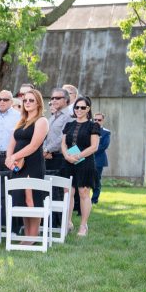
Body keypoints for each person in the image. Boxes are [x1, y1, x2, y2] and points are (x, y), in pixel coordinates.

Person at [5, 88, 49, 240]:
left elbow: (33, 146)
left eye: (31, 100)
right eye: (25, 100)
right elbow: (12, 142)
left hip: (33, 163)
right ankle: (27, 235)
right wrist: (8, 158)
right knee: (22, 199)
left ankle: (33, 236)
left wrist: (14, 157)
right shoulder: (21, 121)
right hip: (18, 165)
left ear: (38, 103)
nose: (28, 103)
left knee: (32, 199)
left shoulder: (41, 121)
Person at [61, 96, 100, 236]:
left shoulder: (93, 126)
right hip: (68, 162)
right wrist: (66, 156)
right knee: (68, 193)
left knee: (83, 193)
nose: (79, 110)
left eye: (82, 107)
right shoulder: (69, 125)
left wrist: (77, 156)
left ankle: (83, 226)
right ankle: (68, 222)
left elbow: (94, 147)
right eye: (77, 107)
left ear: (88, 109)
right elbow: (63, 144)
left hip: (85, 163)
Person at [43, 87, 72, 174]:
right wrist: (44, 151)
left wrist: (47, 150)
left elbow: (63, 137)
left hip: (62, 157)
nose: (54, 100)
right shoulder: (52, 117)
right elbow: (45, 136)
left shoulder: (69, 116)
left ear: (66, 99)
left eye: (58, 98)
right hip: (49, 157)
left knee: (59, 186)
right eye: (52, 98)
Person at [92, 112, 111, 203]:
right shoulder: (89, 130)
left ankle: (94, 199)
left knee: (96, 179)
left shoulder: (106, 133)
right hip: (86, 159)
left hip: (99, 160)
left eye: (99, 120)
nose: (96, 121)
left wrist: (91, 150)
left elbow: (104, 146)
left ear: (102, 121)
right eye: (95, 119)